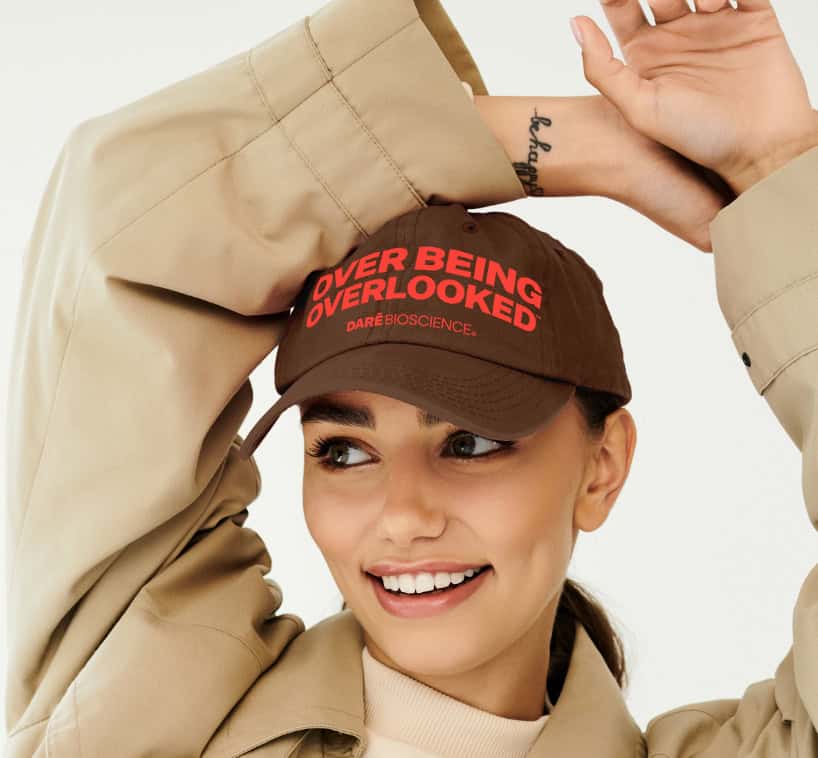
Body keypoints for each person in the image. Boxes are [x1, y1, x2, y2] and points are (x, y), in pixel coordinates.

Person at [3, 0, 817, 755]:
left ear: (601, 468)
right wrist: (566, 144)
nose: (403, 516)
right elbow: (115, 235)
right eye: (344, 452)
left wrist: (780, 162)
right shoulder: (148, 696)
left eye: (470, 442)